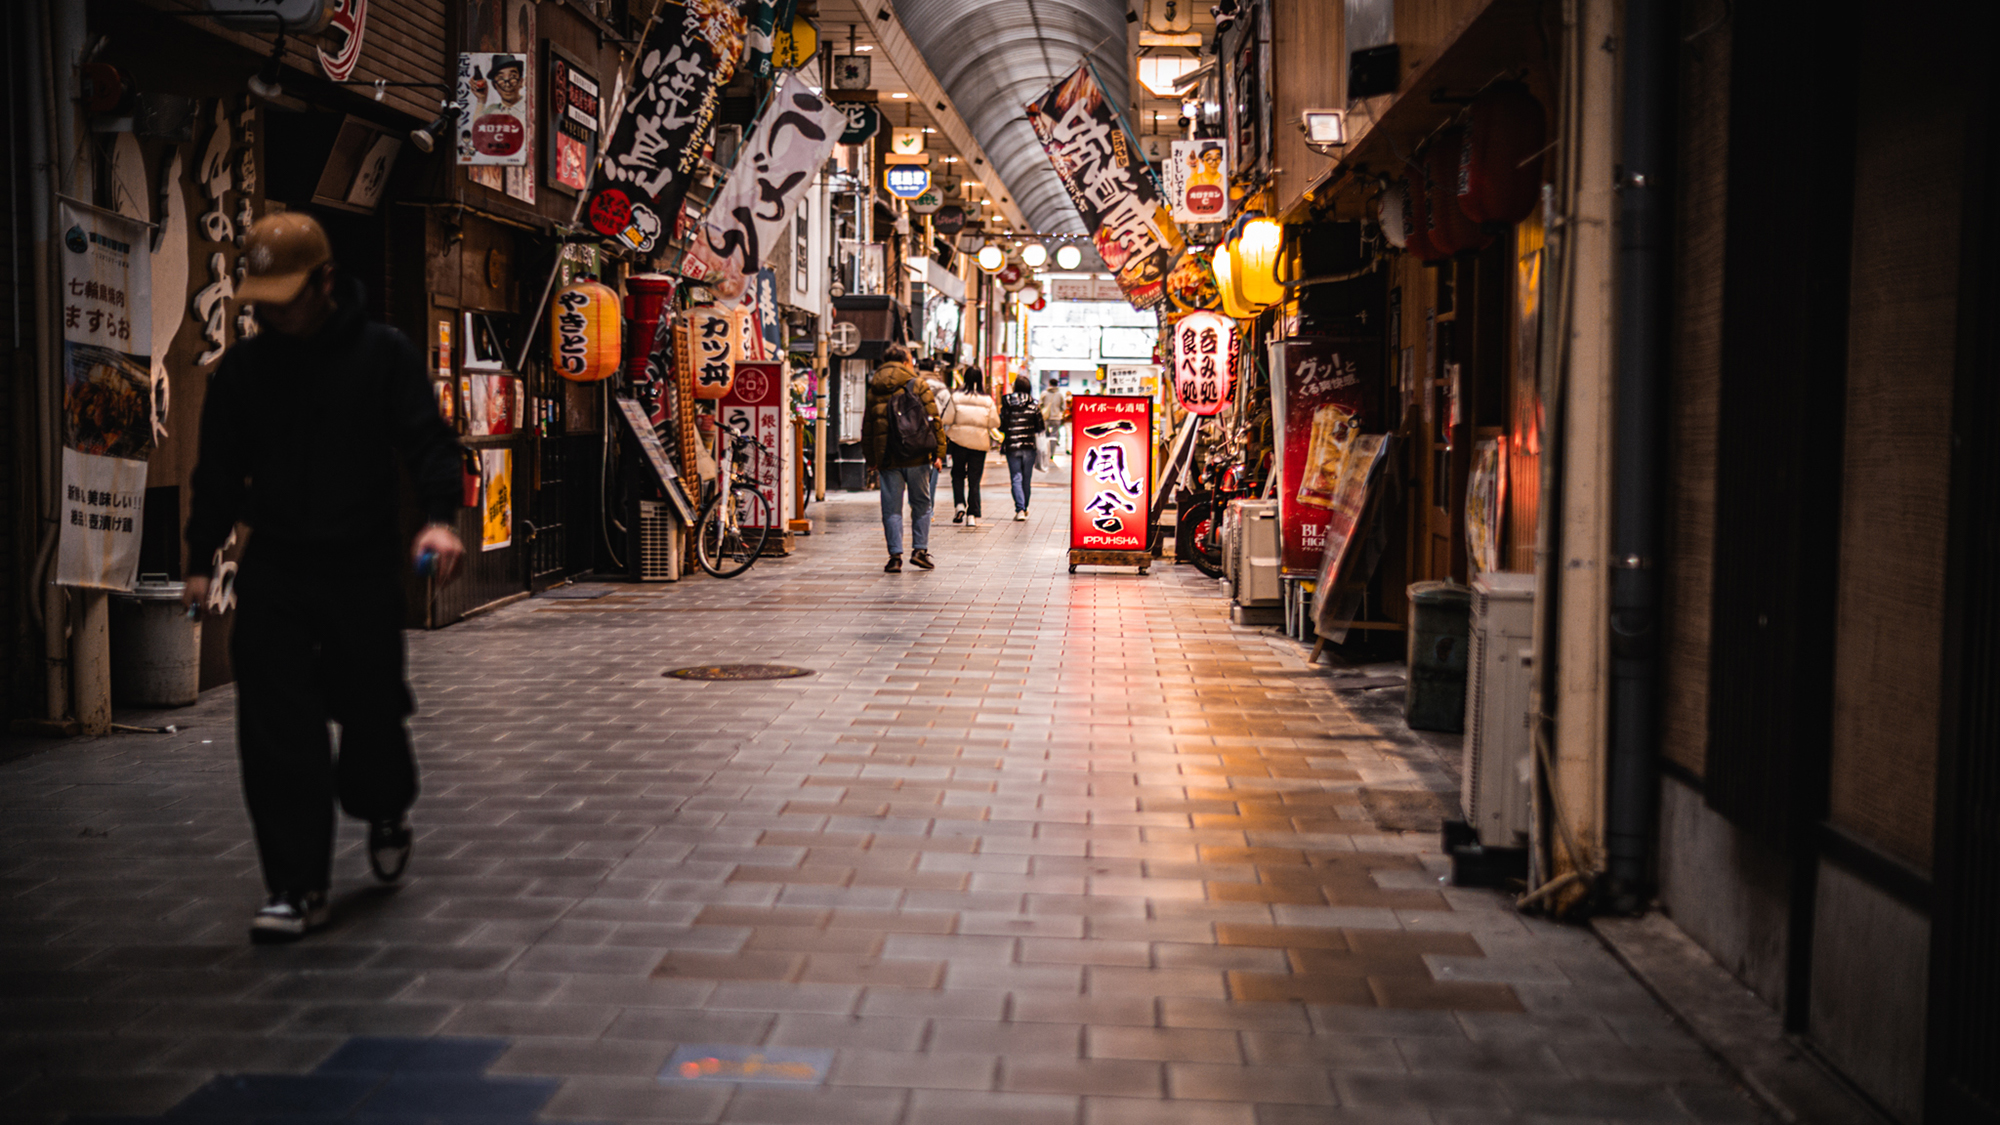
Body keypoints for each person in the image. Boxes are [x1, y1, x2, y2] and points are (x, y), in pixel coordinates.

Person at [182, 213, 465, 943]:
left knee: (371, 709)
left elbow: (429, 440)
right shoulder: (245, 371)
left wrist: (439, 517)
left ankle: (384, 805)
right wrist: (198, 559)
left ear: (327, 282)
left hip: (360, 562)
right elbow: (217, 470)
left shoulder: (382, 354)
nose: (274, 313)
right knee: (276, 725)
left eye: (288, 297)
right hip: (277, 562)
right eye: (264, 300)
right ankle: (295, 885)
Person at [862, 343, 946, 572]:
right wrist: (939, 453)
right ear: (906, 362)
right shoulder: (917, 384)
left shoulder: (875, 387)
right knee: (921, 504)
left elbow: (868, 426)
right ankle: (919, 550)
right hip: (917, 454)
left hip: (887, 457)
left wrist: (871, 458)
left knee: (891, 508)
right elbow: (933, 419)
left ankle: (895, 557)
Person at [940, 365, 996, 528]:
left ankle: (959, 505)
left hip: (959, 442)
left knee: (957, 474)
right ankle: (972, 514)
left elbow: (946, 419)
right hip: (979, 443)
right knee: (974, 479)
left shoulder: (956, 397)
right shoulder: (987, 400)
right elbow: (995, 422)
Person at [999, 375, 1043, 521]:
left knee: (1016, 477)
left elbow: (1001, 426)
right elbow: (1040, 427)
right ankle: (1024, 507)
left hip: (1012, 446)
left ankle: (1020, 509)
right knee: (1026, 479)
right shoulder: (1034, 405)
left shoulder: (1007, 404)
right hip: (1029, 446)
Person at [1038, 376, 1068, 467]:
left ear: (1049, 384)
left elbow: (1039, 405)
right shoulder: (1060, 395)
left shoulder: (1044, 393)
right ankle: (1051, 454)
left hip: (1045, 418)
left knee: (1044, 436)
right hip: (1056, 418)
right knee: (1054, 436)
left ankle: (1045, 453)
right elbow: (1063, 408)